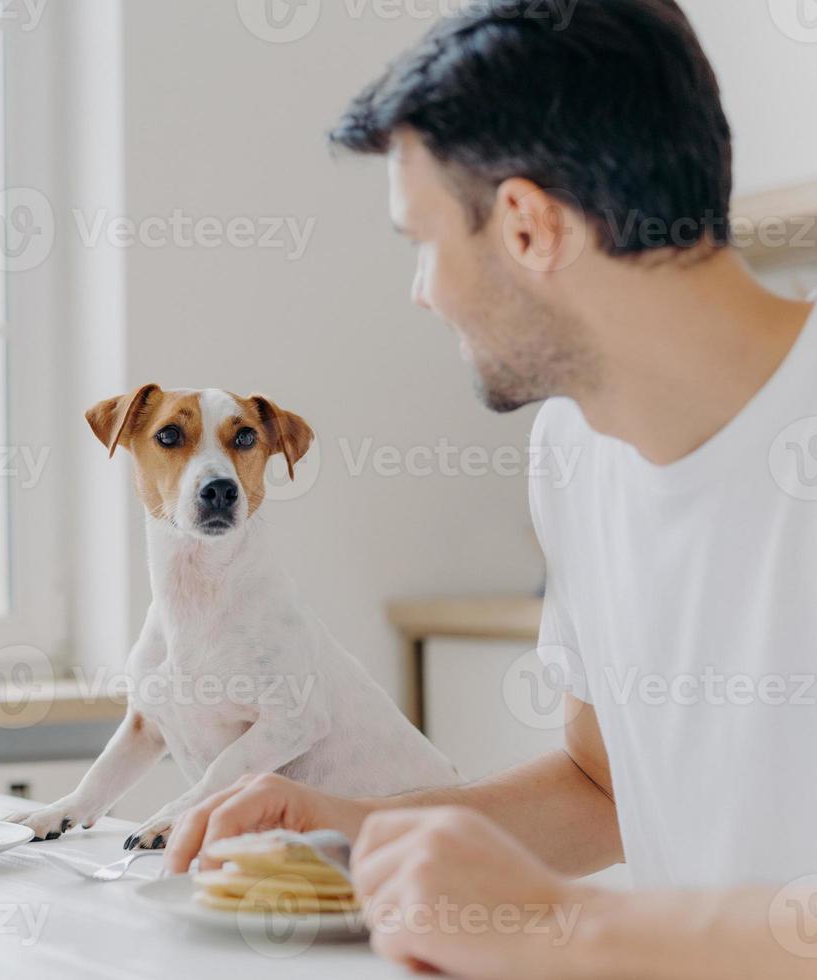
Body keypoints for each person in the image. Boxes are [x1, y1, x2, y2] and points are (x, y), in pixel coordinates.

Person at [163, 2, 817, 977]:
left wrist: (568, 928)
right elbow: (604, 784)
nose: (420, 290)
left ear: (524, 224)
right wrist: (358, 831)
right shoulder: (573, 448)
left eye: (422, 241)